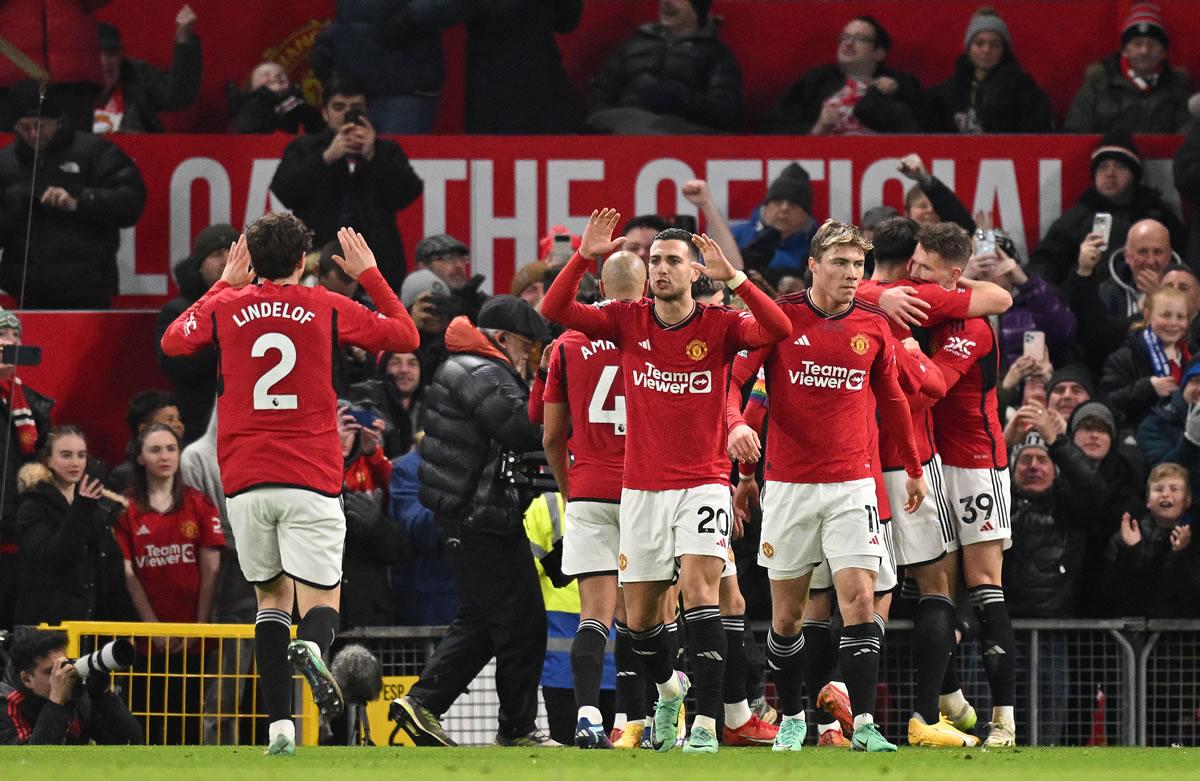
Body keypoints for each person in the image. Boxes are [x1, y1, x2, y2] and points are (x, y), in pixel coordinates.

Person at [161, 216, 419, 756]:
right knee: (322, 598)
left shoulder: (227, 307)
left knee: (269, 601)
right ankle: (316, 650)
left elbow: (172, 341)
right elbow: (405, 335)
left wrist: (224, 285)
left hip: (246, 478)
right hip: (311, 475)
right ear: (304, 261)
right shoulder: (325, 306)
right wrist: (371, 274)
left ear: (249, 258)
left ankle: (279, 728)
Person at [539, 209, 791, 753]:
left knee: (702, 592)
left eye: (672, 261)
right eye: (655, 261)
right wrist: (584, 256)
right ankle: (669, 688)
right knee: (641, 623)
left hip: (702, 483)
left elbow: (778, 329)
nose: (660, 269)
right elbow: (554, 308)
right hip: (641, 492)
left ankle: (705, 725)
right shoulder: (628, 321)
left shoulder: (721, 327)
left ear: (696, 272)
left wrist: (738, 278)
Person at [728, 219, 924, 753]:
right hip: (789, 486)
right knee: (788, 614)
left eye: (858, 265)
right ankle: (793, 717)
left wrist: (910, 464)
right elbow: (735, 380)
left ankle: (863, 725)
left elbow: (893, 400)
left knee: (860, 598)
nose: (850, 274)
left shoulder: (874, 325)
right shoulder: (781, 318)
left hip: (853, 484)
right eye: (839, 263)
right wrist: (736, 426)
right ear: (813, 264)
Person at [392, 295, 553, 748]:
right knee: (523, 622)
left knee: (485, 619)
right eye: (528, 347)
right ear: (502, 339)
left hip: (472, 515)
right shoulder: (481, 371)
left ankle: (422, 703)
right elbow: (523, 429)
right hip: (479, 516)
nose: (530, 358)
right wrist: (547, 386)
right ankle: (516, 728)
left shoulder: (469, 366)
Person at [909, 222, 1017, 747]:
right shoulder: (934, 309)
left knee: (984, 584)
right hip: (932, 461)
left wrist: (899, 349)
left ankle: (1004, 719)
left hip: (977, 463)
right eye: (911, 264)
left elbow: (934, 387)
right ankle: (950, 701)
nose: (914, 276)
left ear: (953, 276)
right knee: (934, 584)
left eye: (925, 269)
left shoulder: (970, 325)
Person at [114, 423, 223, 744]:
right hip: (145, 642)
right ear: (140, 458)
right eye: (155, 450)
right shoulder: (126, 509)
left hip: (192, 642)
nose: (165, 456)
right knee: (142, 725)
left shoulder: (199, 504)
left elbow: (212, 572)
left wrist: (197, 629)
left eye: (171, 449)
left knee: (186, 727)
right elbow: (129, 575)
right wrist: (153, 627)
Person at [0, 80, 146, 309]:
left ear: (57, 121)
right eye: (25, 127)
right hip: (27, 292)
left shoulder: (95, 152)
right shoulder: (6, 163)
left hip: (89, 291)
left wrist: (80, 200)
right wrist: (13, 210)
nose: (33, 134)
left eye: (40, 125)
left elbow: (130, 203)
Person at [269, 74, 424, 290]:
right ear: (325, 112)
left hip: (377, 262)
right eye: (339, 107)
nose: (346, 114)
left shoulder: (385, 150)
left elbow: (409, 192)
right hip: (318, 261)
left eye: (356, 107)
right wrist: (327, 158)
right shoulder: (304, 147)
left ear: (366, 112)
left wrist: (372, 155)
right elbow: (283, 190)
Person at [1031, 132, 1185, 289]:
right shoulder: (1080, 214)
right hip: (1090, 302)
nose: (1110, 174)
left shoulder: (1155, 213)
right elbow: (1046, 260)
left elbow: (1184, 260)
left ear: (1134, 175)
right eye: (1102, 166)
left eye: (1120, 166)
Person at [12, 426, 129, 626]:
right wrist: (81, 510)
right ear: (48, 460)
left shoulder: (96, 503)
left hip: (91, 621)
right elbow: (53, 558)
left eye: (81, 455)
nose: (75, 463)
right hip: (49, 623)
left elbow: (107, 564)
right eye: (66, 455)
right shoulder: (33, 505)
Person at [586, 0, 741, 134]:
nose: (666, 2)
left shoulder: (717, 55)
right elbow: (601, 88)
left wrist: (680, 99)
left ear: (696, 8)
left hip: (681, 131)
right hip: (624, 124)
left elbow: (725, 112)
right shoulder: (633, 44)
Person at [763, 16, 924, 135]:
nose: (848, 43)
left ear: (879, 53)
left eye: (859, 39)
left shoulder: (901, 85)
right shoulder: (816, 81)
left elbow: (925, 130)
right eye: (845, 37)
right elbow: (770, 128)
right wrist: (816, 129)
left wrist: (890, 95)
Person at [155, 223, 239, 444]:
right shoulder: (178, 311)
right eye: (217, 253)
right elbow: (174, 363)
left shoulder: (262, 304)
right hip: (200, 424)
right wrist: (226, 341)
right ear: (199, 266)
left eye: (233, 251)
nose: (227, 259)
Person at [310, 0, 447, 134]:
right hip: (356, 92)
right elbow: (358, 16)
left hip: (405, 90)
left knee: (393, 154)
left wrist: (412, 16)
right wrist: (328, 40)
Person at [1064, 2, 1192, 134]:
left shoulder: (1178, 89)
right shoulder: (1098, 85)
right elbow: (1075, 133)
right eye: (1137, 44)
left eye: (1152, 45)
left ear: (1164, 53)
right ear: (1124, 51)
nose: (1144, 51)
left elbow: (1187, 138)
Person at [0, 308, 52, 630]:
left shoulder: (33, 404)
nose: (9, 342)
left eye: (15, 336)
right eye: (2, 336)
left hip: (19, 532)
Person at [0, 628, 142, 745]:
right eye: (51, 671)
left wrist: (102, 696)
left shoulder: (76, 696)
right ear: (27, 679)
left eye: (64, 664)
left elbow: (129, 744)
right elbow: (30, 765)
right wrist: (56, 701)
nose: (61, 675)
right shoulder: (8, 704)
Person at [930, 7, 1051, 133]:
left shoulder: (1025, 91)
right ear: (969, 48)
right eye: (979, 43)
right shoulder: (946, 93)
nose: (986, 50)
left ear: (1004, 50)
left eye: (995, 45)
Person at [1104, 463, 1200, 617]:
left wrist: (1182, 553)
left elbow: (1191, 595)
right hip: (1137, 635)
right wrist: (1131, 551)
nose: (1166, 495)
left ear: (1187, 500)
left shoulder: (1196, 539)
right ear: (1148, 500)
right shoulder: (1127, 535)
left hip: (1185, 635)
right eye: (1158, 489)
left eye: (1174, 489)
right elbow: (1112, 594)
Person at [92, 6, 201, 134]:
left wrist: (183, 38)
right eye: (96, 53)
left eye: (111, 53)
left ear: (120, 56)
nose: (105, 62)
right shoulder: (69, 90)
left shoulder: (135, 75)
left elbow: (179, 96)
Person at [1100, 286, 1191, 430]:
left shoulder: (1193, 356)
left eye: (1181, 317)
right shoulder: (1126, 357)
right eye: (1166, 315)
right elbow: (1106, 403)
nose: (1174, 323)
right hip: (1138, 442)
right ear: (1148, 316)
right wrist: (1148, 388)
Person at [731, 164, 817, 279]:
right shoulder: (735, 236)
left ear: (806, 216)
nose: (784, 208)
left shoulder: (818, 247)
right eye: (777, 202)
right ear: (765, 208)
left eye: (793, 205)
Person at [107, 389, 186, 492]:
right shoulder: (125, 476)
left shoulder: (191, 463)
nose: (179, 425)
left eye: (178, 419)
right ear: (144, 429)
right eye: (170, 419)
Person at [230, 62, 323, 135]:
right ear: (252, 87)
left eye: (281, 74)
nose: (277, 76)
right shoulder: (249, 112)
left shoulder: (304, 108)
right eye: (266, 74)